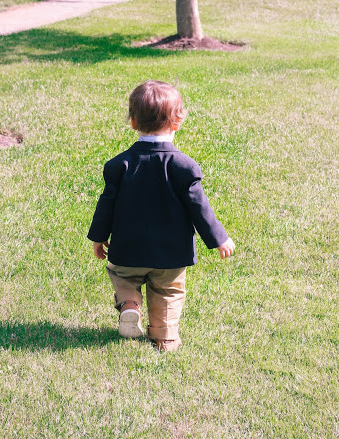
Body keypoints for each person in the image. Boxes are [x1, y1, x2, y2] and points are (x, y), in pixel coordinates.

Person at [87, 80, 235, 351]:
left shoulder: (119, 165)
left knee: (123, 277)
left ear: (133, 122)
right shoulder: (185, 166)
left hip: (127, 248)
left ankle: (130, 304)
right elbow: (199, 207)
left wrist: (98, 237)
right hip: (171, 254)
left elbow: (106, 204)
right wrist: (219, 239)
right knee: (168, 293)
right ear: (177, 122)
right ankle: (165, 337)